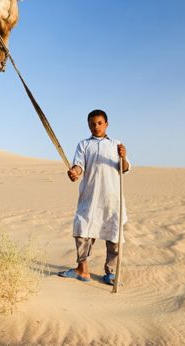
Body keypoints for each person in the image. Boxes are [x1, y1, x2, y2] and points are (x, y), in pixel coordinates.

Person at [58, 109, 130, 285]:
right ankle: (83, 270)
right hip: (90, 196)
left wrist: (124, 157)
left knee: (113, 235)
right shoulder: (83, 145)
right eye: (92, 123)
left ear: (106, 124)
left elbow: (125, 168)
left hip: (112, 198)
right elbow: (79, 165)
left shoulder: (116, 144)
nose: (96, 126)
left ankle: (111, 272)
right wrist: (74, 172)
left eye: (99, 123)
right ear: (88, 125)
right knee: (82, 230)